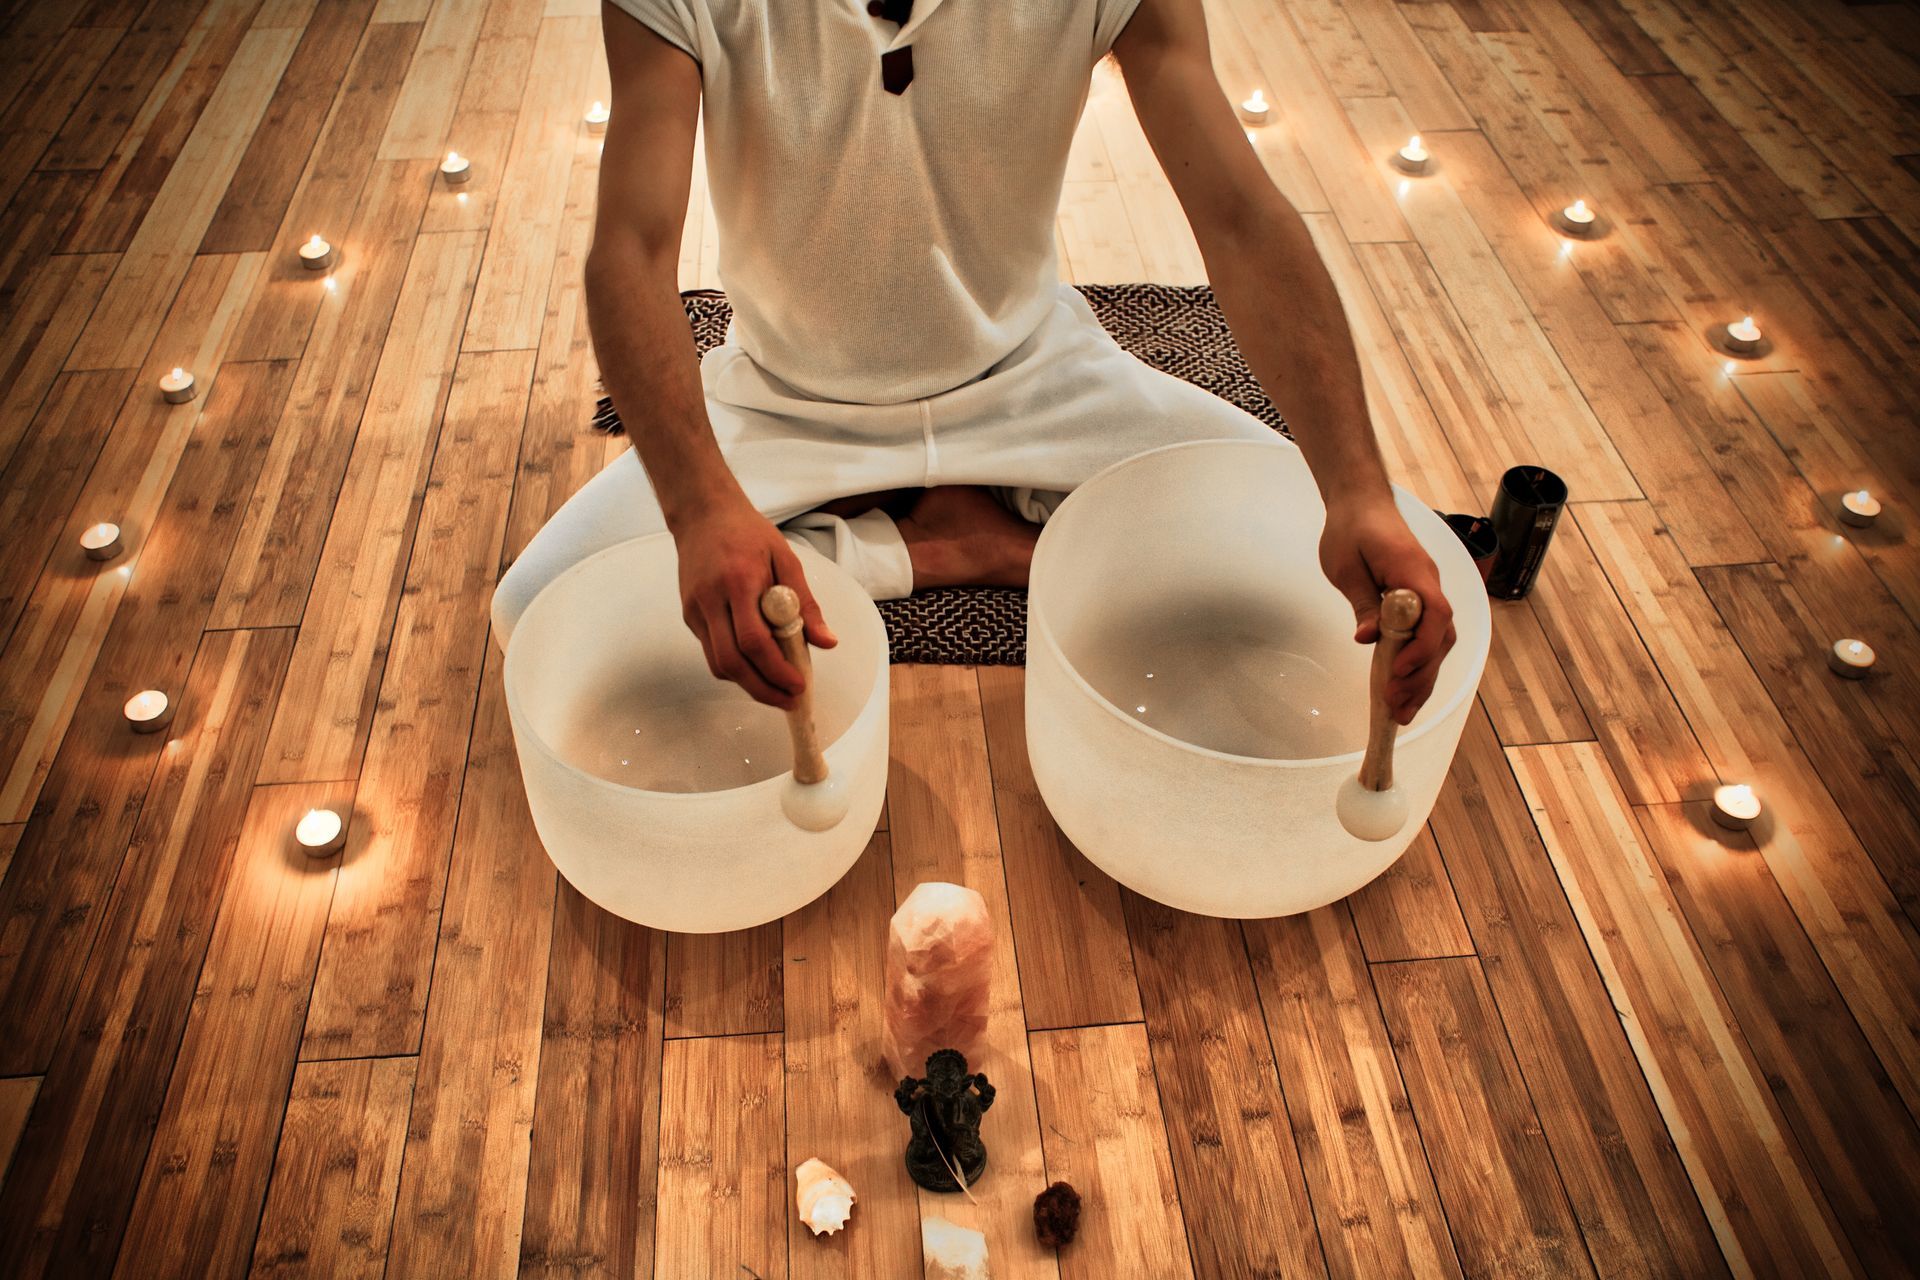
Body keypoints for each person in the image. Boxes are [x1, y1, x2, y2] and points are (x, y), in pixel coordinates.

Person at [491, 0, 1456, 724]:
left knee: (1308, 554)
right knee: (538, 615)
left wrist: (1359, 488)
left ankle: (999, 544)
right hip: (785, 396)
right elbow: (632, 246)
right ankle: (929, 549)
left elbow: (1242, 221)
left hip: (1036, 376)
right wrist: (702, 510)